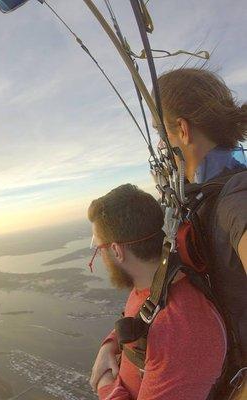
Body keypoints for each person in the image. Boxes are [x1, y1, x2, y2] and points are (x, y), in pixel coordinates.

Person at [90, 68, 247, 395]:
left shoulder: (234, 200)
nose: (160, 144)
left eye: (161, 133)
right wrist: (113, 343)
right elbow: (157, 292)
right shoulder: (201, 199)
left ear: (183, 130)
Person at [87, 184, 226, 399]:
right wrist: (109, 346)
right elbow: (139, 320)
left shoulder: (181, 330)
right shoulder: (153, 287)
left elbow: (164, 334)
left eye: (99, 247)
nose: (100, 257)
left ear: (116, 250)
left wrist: (105, 383)